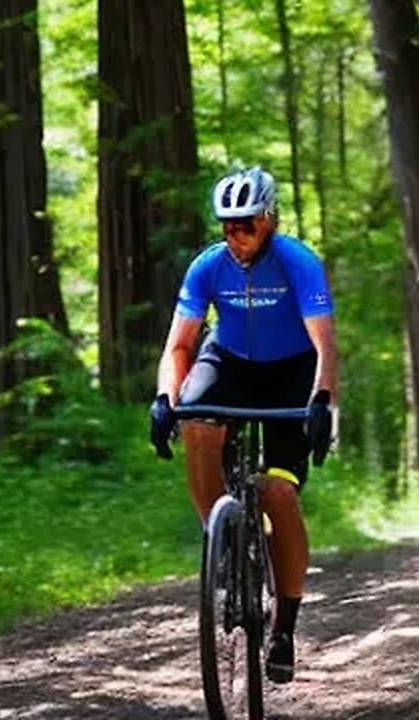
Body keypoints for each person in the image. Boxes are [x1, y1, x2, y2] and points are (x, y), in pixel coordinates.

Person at [149, 166, 338, 684]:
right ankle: (220, 535)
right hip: (229, 360)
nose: (235, 236)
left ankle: (284, 630)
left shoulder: (298, 262)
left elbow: (324, 346)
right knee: (197, 420)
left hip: (291, 370)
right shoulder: (208, 266)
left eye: (246, 225)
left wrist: (322, 400)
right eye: (227, 226)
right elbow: (181, 346)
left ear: (269, 219)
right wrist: (166, 398)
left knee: (278, 492)